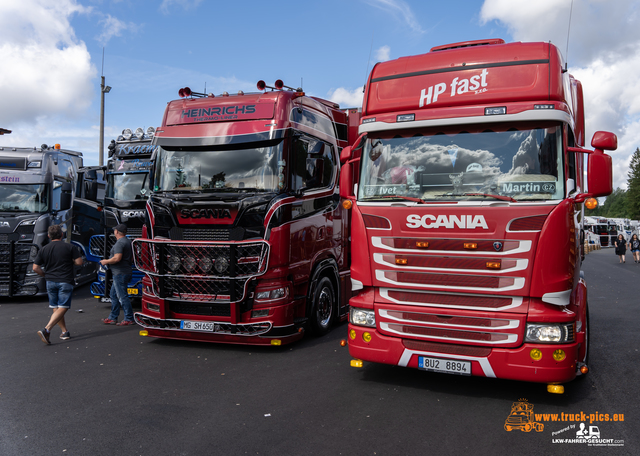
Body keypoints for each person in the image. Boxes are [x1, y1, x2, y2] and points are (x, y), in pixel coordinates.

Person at [33, 225, 83, 344]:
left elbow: (35, 268)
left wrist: (45, 275)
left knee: (56, 308)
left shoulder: (44, 249)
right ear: (62, 234)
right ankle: (46, 329)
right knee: (64, 307)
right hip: (65, 280)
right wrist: (71, 261)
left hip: (50, 281)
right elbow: (79, 262)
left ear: (49, 236)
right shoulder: (70, 247)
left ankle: (64, 332)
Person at [100, 224, 135, 325]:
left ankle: (129, 318)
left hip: (120, 273)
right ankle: (112, 317)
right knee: (113, 295)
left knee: (122, 296)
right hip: (124, 272)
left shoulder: (120, 243)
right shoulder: (129, 242)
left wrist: (105, 261)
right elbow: (131, 258)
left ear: (116, 232)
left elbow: (117, 258)